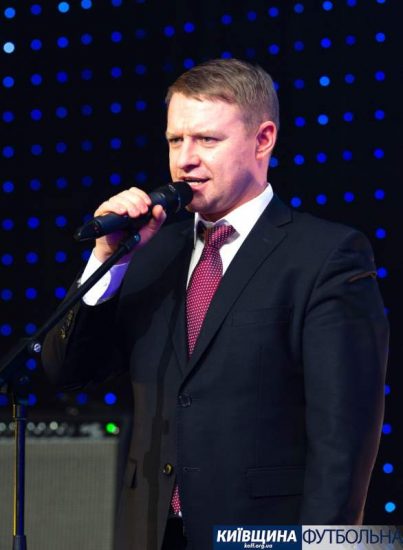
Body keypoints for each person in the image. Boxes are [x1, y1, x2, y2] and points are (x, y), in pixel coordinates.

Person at [42, 58, 389, 550]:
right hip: (150, 532)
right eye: (175, 140)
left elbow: (344, 440)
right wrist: (106, 258)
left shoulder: (325, 256)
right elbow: (65, 371)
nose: (184, 160)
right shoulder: (149, 251)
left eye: (207, 140)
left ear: (263, 139)